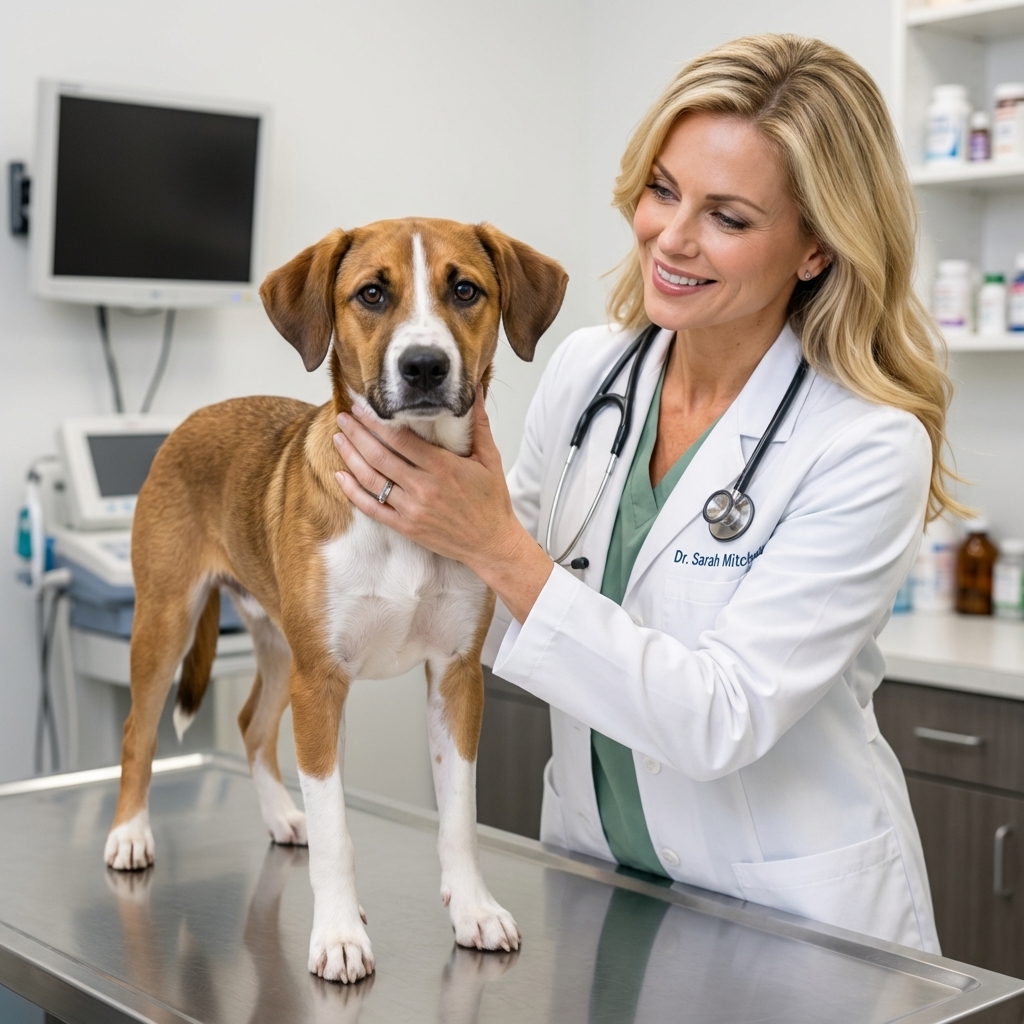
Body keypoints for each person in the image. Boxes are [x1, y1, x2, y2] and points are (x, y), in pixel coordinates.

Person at [333, 34, 963, 952]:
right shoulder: (590, 371)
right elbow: (499, 621)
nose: (671, 236)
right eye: (663, 190)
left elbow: (718, 719)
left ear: (817, 248)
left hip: (796, 920)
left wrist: (493, 542)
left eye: (729, 218)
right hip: (601, 879)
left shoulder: (867, 444)